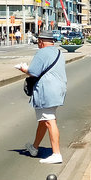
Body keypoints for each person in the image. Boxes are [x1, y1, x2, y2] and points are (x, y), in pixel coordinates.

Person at [20, 30, 68, 164]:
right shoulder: (58, 52)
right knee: (44, 119)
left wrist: (23, 69)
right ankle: (34, 147)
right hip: (59, 89)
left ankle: (56, 153)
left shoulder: (41, 52)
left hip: (46, 90)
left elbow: (33, 72)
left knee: (49, 120)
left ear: (41, 42)